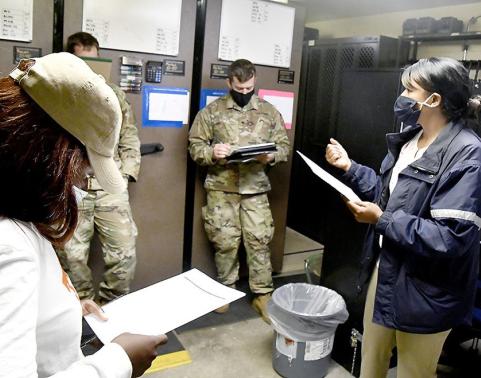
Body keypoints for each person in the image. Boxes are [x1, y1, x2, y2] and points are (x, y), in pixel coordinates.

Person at [0, 52, 167, 377]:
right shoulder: (8, 245)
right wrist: (119, 361)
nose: (79, 179)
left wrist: (62, 307)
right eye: (81, 163)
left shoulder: (14, 207)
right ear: (47, 149)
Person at [325, 57, 481, 378]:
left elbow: (450, 238)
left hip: (430, 289)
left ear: (433, 100)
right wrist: (349, 168)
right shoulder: (412, 139)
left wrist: (380, 220)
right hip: (388, 267)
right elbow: (391, 196)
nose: (403, 96)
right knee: (372, 357)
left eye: (410, 89)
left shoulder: (468, 154)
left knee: (413, 371)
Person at [188, 59, 290, 323]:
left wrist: (271, 156)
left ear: (254, 81)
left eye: (249, 88)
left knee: (259, 241)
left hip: (255, 189)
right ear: (229, 82)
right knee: (225, 242)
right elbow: (195, 146)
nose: (244, 93)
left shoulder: (269, 112)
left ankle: (262, 294)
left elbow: (284, 147)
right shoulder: (212, 112)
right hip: (222, 189)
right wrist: (212, 152)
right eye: (239, 88)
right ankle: (226, 290)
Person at [56, 32, 141, 304]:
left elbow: (129, 136)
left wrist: (126, 173)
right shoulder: (55, 93)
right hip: (71, 187)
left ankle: (112, 307)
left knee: (124, 253)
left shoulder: (115, 95)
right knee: (70, 255)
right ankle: (81, 308)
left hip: (109, 186)